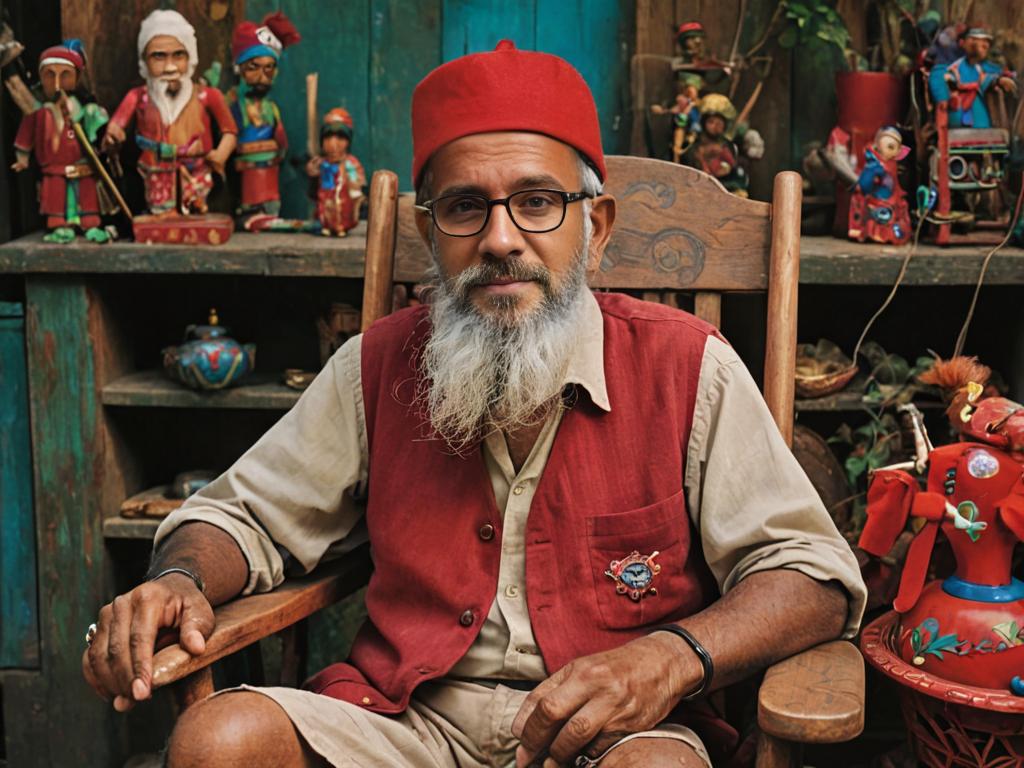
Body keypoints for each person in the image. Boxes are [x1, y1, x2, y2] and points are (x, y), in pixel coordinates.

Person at [83, 40, 866, 768]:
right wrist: (182, 576)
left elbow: (813, 577)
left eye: (536, 202)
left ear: (594, 230)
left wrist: (670, 658)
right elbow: (235, 517)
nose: (499, 240)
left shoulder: (689, 367)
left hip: (614, 733)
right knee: (219, 739)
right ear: (432, 235)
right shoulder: (378, 366)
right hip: (405, 725)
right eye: (465, 208)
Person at [102, 9, 237, 215]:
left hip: (199, 175)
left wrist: (220, 155)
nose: (170, 67)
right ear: (145, 62)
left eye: (178, 55)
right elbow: (114, 129)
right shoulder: (138, 97)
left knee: (197, 215)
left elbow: (230, 131)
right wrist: (113, 137)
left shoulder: (208, 96)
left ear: (190, 58)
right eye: (159, 57)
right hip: (155, 174)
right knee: (161, 216)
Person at [11, 40, 110, 243]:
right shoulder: (40, 113)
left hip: (82, 169)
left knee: (87, 200)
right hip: (54, 170)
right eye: (50, 75)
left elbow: (96, 130)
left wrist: (93, 117)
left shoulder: (81, 108)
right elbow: (26, 135)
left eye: (64, 75)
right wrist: (23, 158)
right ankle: (61, 227)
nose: (57, 83)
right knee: (56, 201)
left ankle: (90, 225)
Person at [228, 11, 300, 225]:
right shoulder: (234, 107)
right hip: (244, 180)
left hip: (271, 175)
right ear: (239, 69)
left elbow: (281, 143)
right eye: (254, 68)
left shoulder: (271, 109)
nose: (262, 76)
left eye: (269, 68)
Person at [928, 27, 1017, 129]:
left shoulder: (987, 67)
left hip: (981, 120)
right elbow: (940, 77)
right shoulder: (953, 65)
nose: (984, 45)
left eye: (986, 42)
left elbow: (987, 79)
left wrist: (999, 81)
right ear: (964, 43)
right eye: (976, 40)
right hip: (957, 116)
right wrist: (943, 97)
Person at [305, 107, 366, 236]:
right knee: (324, 208)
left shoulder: (350, 162)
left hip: (343, 197)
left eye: (340, 139)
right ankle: (326, 225)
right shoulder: (322, 162)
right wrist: (313, 171)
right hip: (325, 194)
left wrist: (354, 184)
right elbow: (313, 180)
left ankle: (341, 227)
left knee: (342, 208)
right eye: (328, 139)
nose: (333, 144)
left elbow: (358, 180)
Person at [848, 126, 911, 245]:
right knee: (879, 218)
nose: (892, 150)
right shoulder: (874, 165)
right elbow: (864, 186)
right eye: (889, 146)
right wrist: (874, 172)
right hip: (877, 202)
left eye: (894, 147)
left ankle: (894, 234)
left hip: (892, 202)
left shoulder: (893, 165)